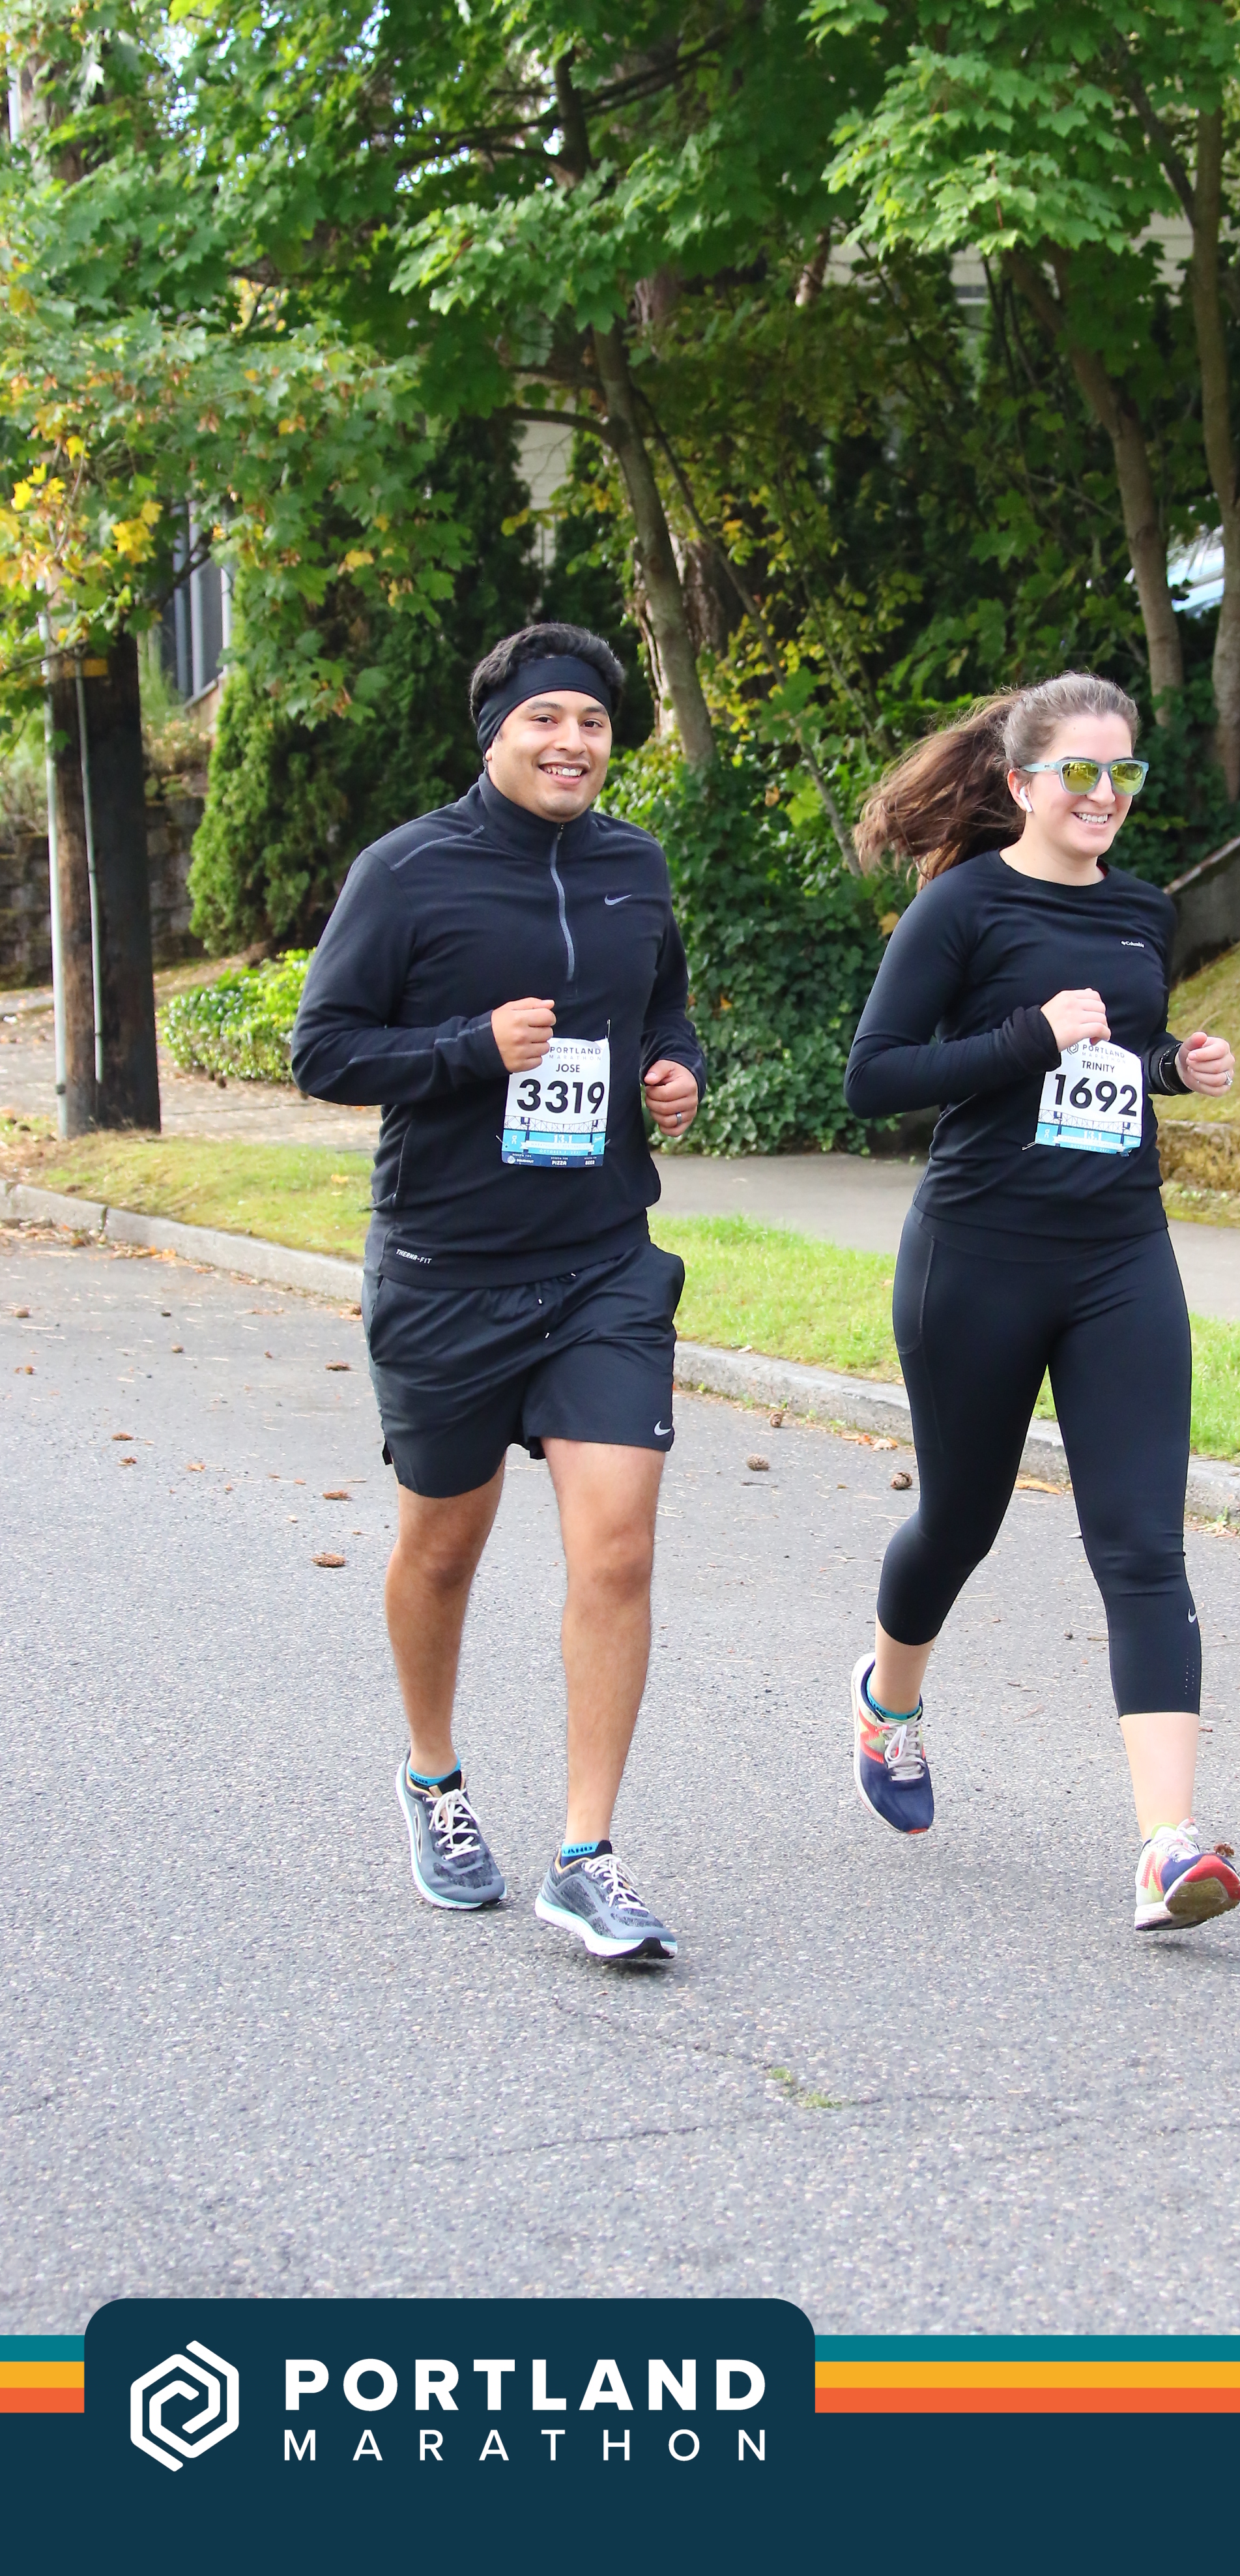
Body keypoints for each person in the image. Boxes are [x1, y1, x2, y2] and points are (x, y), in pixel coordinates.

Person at [292, 621, 705, 1962]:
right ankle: (433, 1776)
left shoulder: (638, 867)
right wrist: (473, 1047)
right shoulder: (407, 871)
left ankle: (586, 1854)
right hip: (447, 1270)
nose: (573, 741)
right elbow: (323, 1051)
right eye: (546, 719)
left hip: (602, 1261)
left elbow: (664, 1007)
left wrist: (676, 1072)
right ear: (495, 735)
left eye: (592, 721)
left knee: (619, 1545)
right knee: (442, 1547)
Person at [842, 671, 1240, 1933]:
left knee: (1143, 1543)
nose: (1104, 793)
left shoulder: (1142, 911)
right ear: (1022, 784)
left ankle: (1167, 1846)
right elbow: (874, 1078)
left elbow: (1116, 1060)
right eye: (1080, 771)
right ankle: (888, 1702)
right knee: (959, 1524)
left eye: (1124, 771)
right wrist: (1031, 1035)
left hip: (1121, 1255)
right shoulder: (962, 907)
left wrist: (1175, 1065)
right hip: (979, 1257)